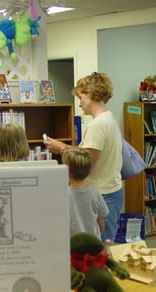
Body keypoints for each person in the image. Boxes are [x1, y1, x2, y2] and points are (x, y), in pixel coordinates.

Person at [44, 72, 123, 242]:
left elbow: (86, 164)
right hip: (111, 189)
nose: (79, 103)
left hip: (103, 193)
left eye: (81, 97)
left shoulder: (97, 125)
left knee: (99, 248)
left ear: (91, 94)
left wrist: (62, 149)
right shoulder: (109, 118)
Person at [62, 147, 109, 240]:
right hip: (92, 244)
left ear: (68, 171)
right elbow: (101, 223)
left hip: (72, 246)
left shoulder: (63, 195)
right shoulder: (95, 193)